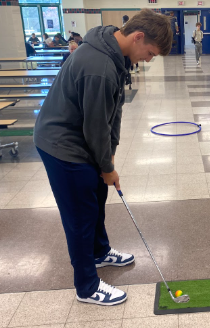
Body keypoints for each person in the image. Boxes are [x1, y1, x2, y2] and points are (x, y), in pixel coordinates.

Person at [34, 9, 172, 306]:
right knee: (81, 215)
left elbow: (113, 112)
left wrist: (108, 156)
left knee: (96, 196)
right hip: (63, 145)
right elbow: (95, 126)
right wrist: (106, 166)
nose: (149, 60)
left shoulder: (115, 54)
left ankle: (99, 252)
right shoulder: (99, 66)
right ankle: (87, 286)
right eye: (149, 52)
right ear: (138, 37)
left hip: (81, 140)